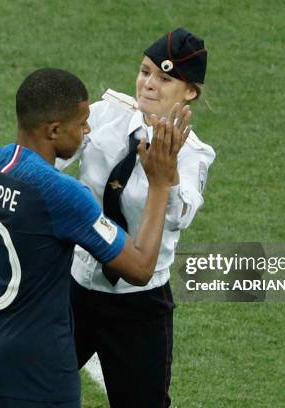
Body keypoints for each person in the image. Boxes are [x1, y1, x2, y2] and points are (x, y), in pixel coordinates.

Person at [0, 68, 192, 407]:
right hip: (41, 376)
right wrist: (159, 183)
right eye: (82, 123)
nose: (88, 131)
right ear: (54, 130)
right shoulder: (62, 195)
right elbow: (141, 267)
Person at [56, 28, 216, 407]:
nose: (148, 84)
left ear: (189, 91)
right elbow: (54, 155)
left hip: (139, 306)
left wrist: (168, 177)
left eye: (164, 78)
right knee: (28, 388)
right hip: (75, 289)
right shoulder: (105, 113)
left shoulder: (194, 154)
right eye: (145, 72)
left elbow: (181, 216)